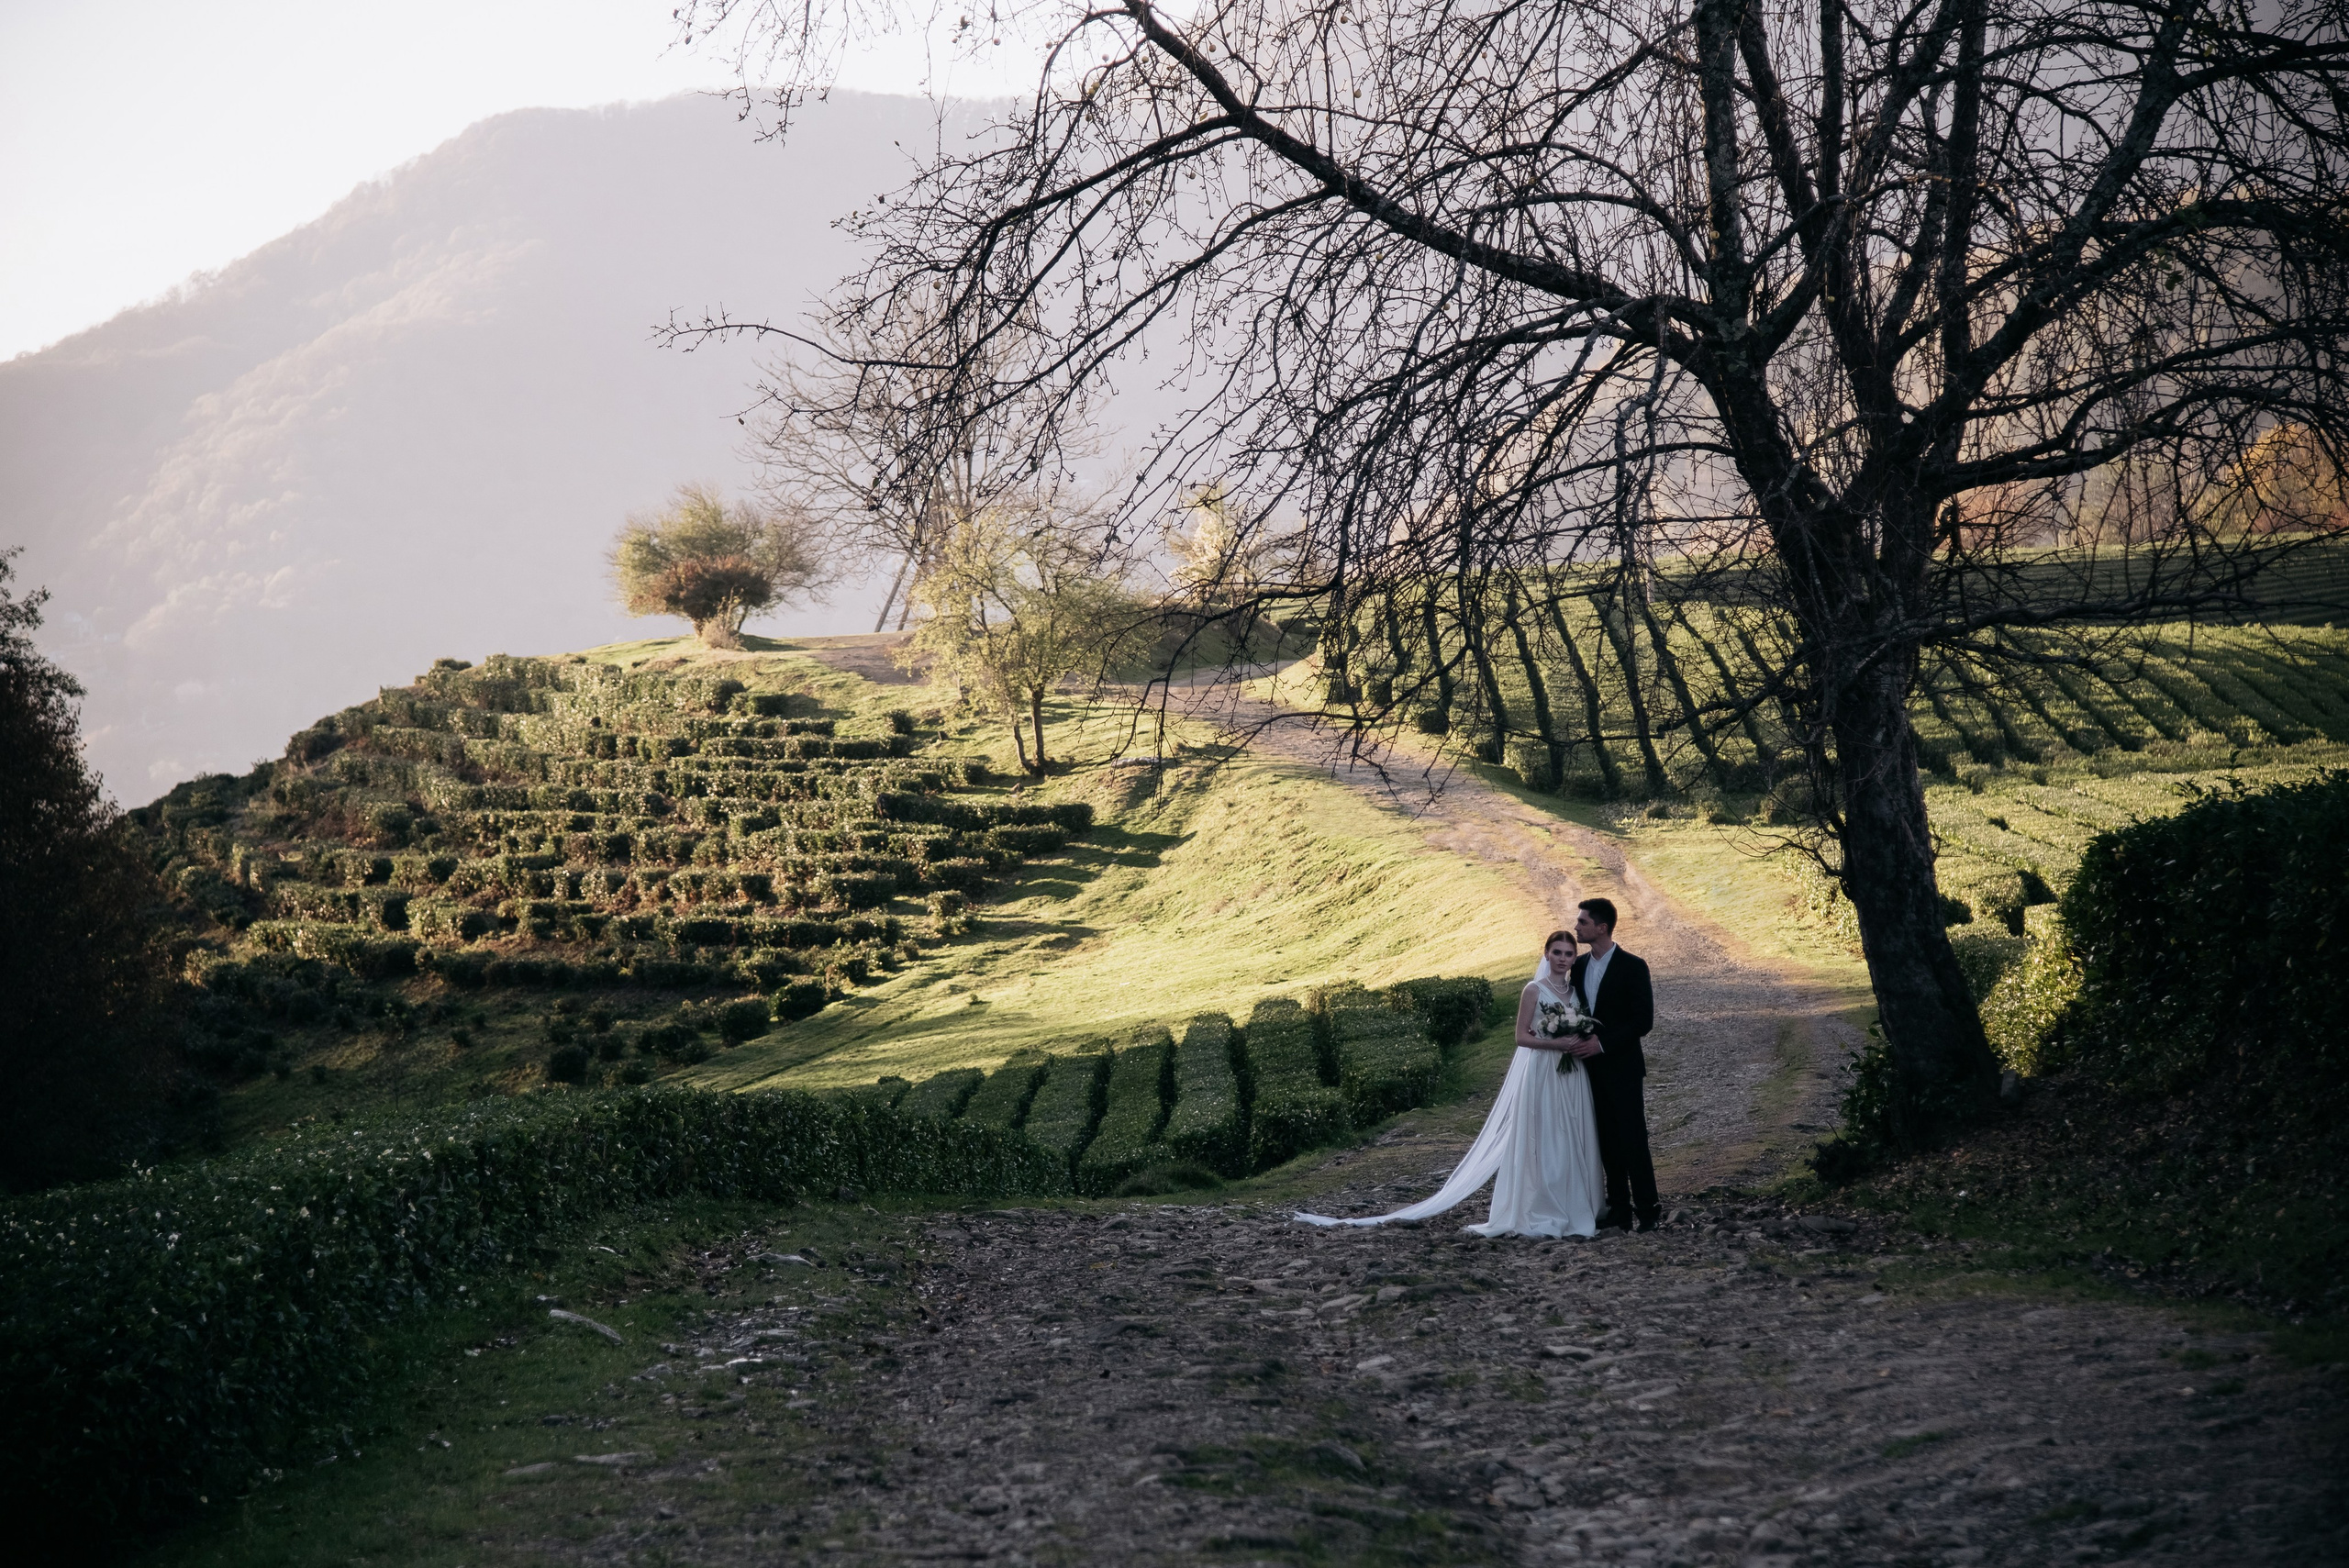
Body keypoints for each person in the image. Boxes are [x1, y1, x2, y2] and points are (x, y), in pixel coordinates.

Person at [1295, 930, 1604, 1237]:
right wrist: (1557, 1044)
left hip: (1571, 1073)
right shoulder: (1533, 990)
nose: (1563, 959)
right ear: (1546, 954)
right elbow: (1521, 1037)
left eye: (1568, 954)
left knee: (1571, 1132)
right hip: (1542, 1071)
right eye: (1557, 953)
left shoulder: (1576, 992)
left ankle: (1573, 1201)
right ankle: (1542, 1206)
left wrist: (1575, 1041)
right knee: (1544, 1136)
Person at [1569, 897, 1661, 1232]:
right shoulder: (1577, 967)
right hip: (1588, 1070)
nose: (1576, 927)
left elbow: (1643, 1021)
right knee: (1606, 1140)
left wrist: (1603, 1043)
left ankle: (1649, 1210)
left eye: (1582, 922)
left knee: (1633, 1138)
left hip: (1622, 1067)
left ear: (1602, 927)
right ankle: (1619, 1210)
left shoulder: (1634, 966)